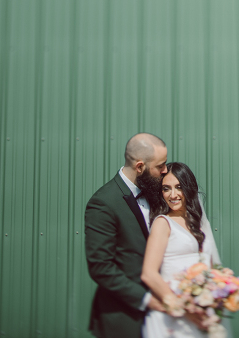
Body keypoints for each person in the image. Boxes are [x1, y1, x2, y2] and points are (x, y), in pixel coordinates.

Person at [85, 133, 169, 338]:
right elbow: (101, 267)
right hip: (124, 319)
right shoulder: (103, 203)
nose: (165, 170)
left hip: (164, 318)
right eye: (160, 166)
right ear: (140, 167)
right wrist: (146, 300)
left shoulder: (158, 191)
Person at [141, 162, 224, 338]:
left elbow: (211, 270)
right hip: (172, 316)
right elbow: (149, 274)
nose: (173, 195)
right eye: (166, 189)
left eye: (178, 187)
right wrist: (184, 308)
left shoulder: (200, 224)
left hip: (201, 313)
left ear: (188, 188)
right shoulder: (162, 223)